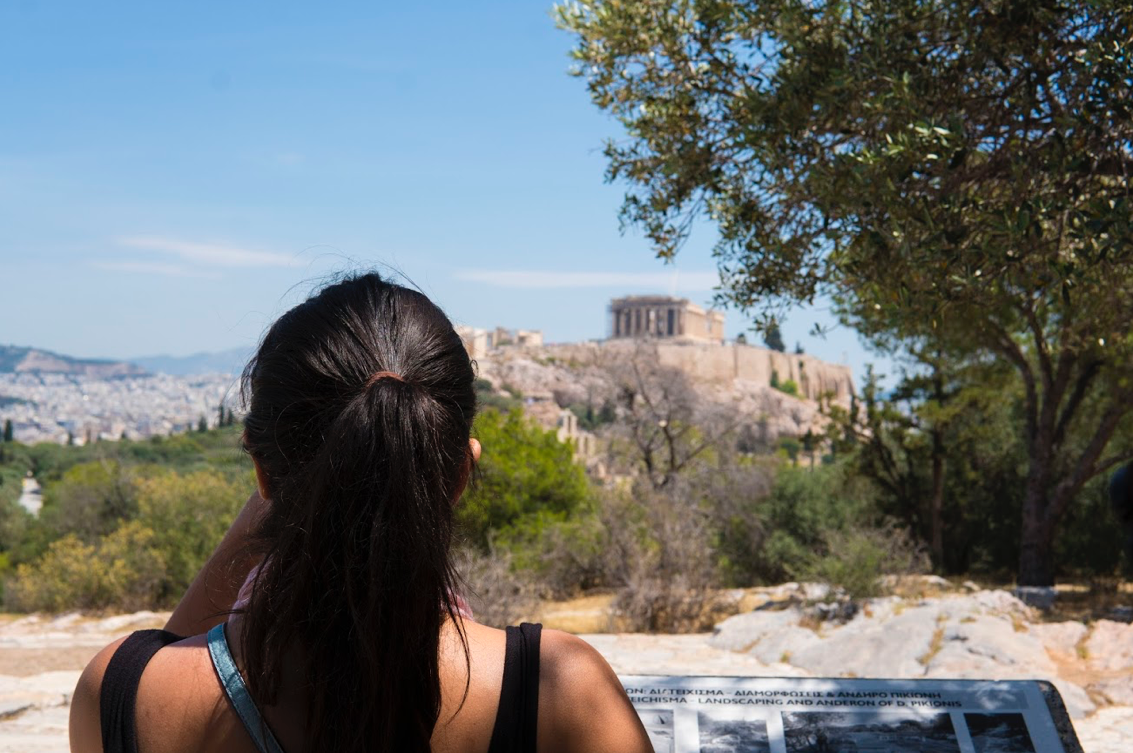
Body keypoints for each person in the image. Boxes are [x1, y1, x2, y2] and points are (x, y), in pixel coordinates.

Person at [69, 273, 653, 753]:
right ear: (459, 476)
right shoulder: (562, 692)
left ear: (264, 471)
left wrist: (287, 490)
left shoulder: (120, 693)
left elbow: (164, 659)